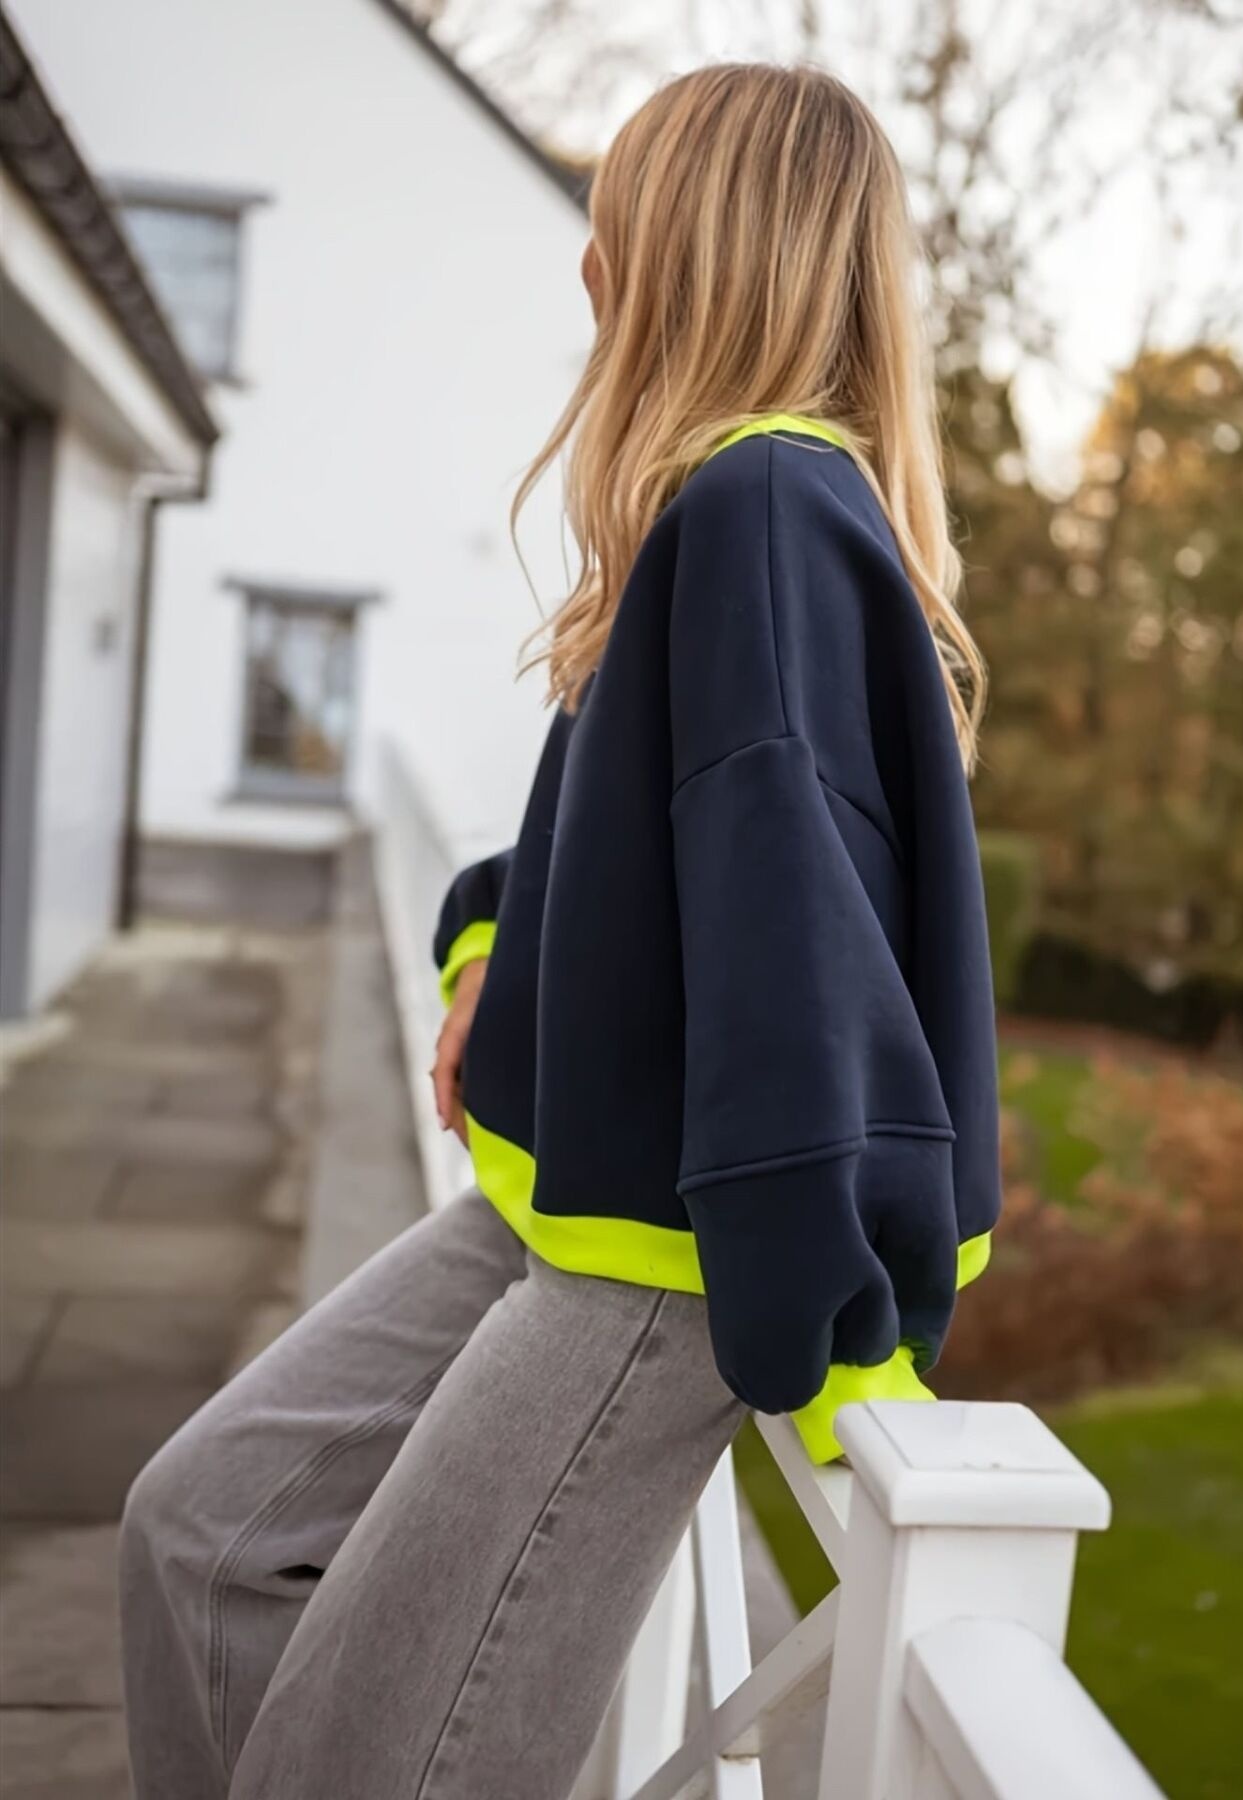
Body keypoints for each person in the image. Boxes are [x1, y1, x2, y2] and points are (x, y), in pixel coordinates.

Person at [118, 62, 1001, 1800]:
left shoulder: (761, 507)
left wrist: (827, 1323)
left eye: (612, 231)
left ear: (682, 256)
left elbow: (801, 934)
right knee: (199, 1536)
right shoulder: (715, 517)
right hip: (554, 1203)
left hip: (654, 1269)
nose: (586, 272)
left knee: (353, 1765)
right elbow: (619, 861)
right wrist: (485, 961)